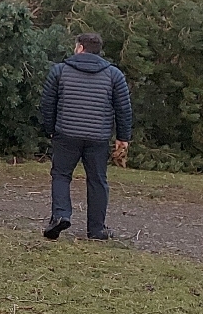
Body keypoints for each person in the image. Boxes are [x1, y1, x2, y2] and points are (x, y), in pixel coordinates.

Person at [38, 32, 132, 241]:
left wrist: (50, 129)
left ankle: (60, 215)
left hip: (66, 133)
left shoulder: (60, 71)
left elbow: (47, 104)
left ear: (80, 48)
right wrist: (123, 137)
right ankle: (97, 229)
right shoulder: (114, 75)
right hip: (98, 137)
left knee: (61, 175)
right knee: (98, 181)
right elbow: (123, 109)